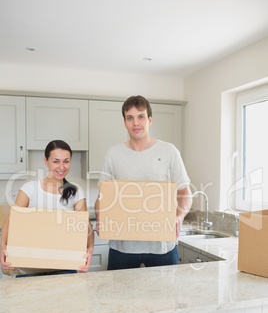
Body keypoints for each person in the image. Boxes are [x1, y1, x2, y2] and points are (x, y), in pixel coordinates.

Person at [95, 95, 192, 270]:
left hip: (162, 247)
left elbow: (185, 193)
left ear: (150, 120)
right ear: (124, 122)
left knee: (165, 296)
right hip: (122, 246)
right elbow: (102, 196)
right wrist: (101, 219)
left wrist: (179, 217)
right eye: (130, 118)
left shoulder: (169, 151)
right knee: (117, 296)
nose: (135, 123)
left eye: (141, 116)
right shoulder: (113, 154)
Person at [0, 139, 94, 277]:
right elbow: (11, 221)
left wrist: (90, 249)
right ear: (46, 161)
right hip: (30, 266)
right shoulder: (29, 189)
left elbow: (86, 226)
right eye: (56, 161)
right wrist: (2, 246)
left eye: (66, 161)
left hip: (65, 265)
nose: (61, 167)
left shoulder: (75, 192)